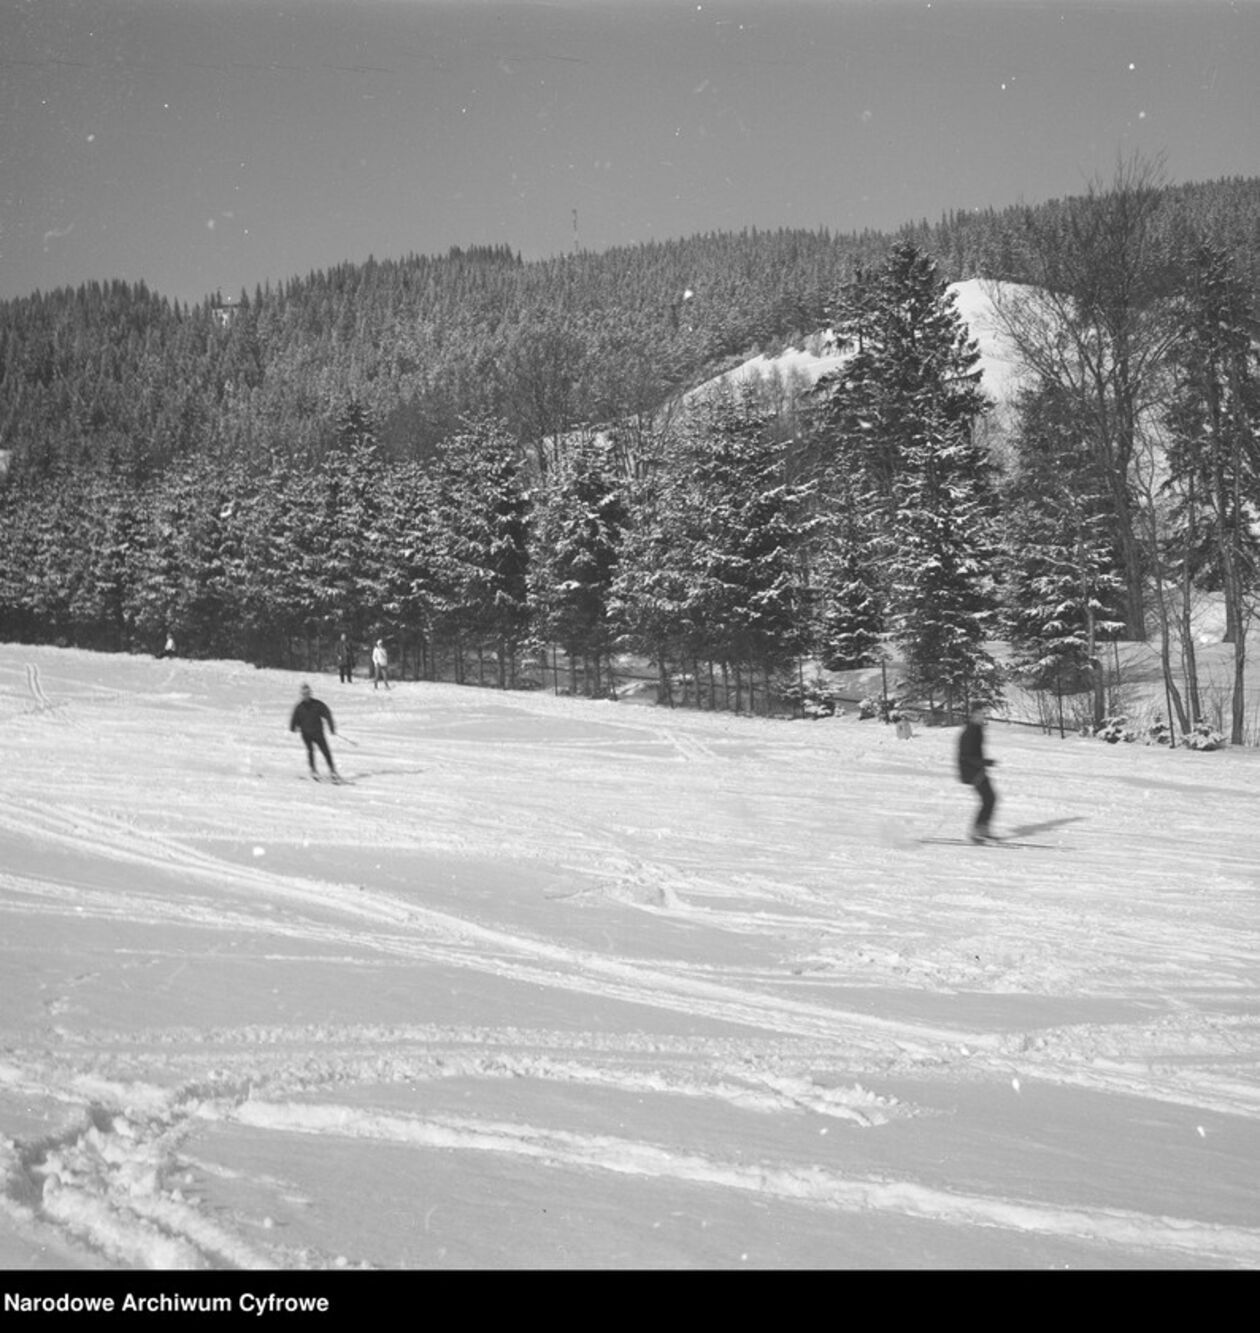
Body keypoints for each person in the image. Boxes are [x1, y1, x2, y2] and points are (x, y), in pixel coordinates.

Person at [957, 702, 997, 842]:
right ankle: (977, 831)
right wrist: (984, 762)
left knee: (990, 799)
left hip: (977, 769)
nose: (983, 716)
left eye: (984, 714)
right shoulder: (970, 731)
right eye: (980, 714)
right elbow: (966, 756)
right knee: (989, 799)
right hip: (971, 770)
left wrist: (983, 763)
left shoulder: (976, 729)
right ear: (973, 714)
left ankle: (982, 829)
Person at [290, 683, 341, 781]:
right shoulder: (299, 707)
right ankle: (313, 770)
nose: (306, 696)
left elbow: (327, 714)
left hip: (318, 733)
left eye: (308, 693)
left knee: (326, 751)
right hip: (306, 734)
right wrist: (293, 728)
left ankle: (332, 771)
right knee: (310, 751)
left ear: (310, 693)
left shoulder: (317, 704)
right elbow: (294, 720)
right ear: (302, 695)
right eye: (304, 694)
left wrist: (331, 728)